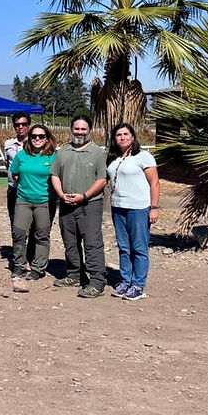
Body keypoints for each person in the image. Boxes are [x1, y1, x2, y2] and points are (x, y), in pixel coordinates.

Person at [50, 116, 108, 298]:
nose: (80, 132)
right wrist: (61, 194)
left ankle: (97, 281)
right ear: (71, 129)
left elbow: (102, 180)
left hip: (89, 205)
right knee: (70, 242)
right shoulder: (63, 152)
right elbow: (55, 175)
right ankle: (74, 274)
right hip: (66, 204)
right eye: (77, 129)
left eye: (83, 129)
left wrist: (84, 196)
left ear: (89, 130)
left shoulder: (98, 153)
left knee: (92, 243)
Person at [107, 122, 160, 301]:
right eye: (118, 135)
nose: (122, 137)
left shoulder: (143, 157)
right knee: (123, 246)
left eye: (126, 134)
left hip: (138, 208)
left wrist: (154, 207)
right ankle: (126, 280)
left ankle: (138, 285)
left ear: (132, 137)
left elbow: (154, 183)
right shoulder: (114, 158)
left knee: (138, 247)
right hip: (118, 207)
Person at [9, 125, 57, 287]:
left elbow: (58, 177)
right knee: (19, 234)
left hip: (44, 201)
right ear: (29, 138)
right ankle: (20, 265)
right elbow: (15, 174)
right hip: (23, 200)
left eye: (41, 136)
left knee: (42, 236)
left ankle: (38, 268)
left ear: (47, 138)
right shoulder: (22, 155)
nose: (37, 139)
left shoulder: (53, 157)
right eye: (34, 136)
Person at [5, 113, 35, 271]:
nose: (21, 127)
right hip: (14, 189)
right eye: (17, 124)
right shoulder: (9, 144)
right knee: (16, 226)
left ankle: (30, 257)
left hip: (31, 189)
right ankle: (19, 258)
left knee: (32, 226)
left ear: (29, 125)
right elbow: (8, 163)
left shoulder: (36, 142)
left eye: (24, 124)